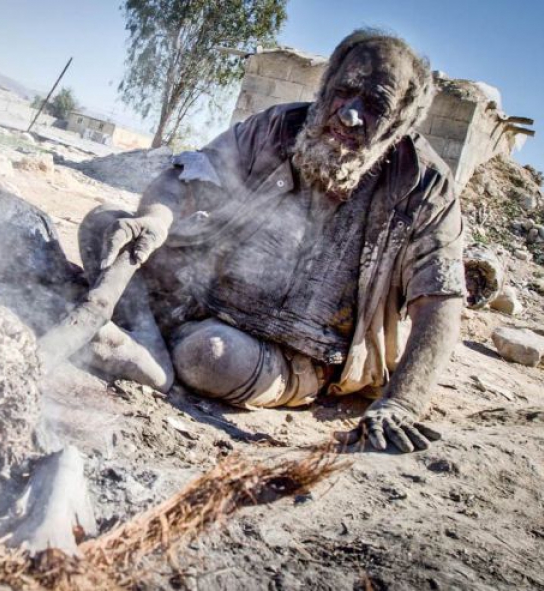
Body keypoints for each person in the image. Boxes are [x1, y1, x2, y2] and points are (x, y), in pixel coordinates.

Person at [75, 29, 465, 453]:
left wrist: (403, 403)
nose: (349, 116)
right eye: (344, 92)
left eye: (374, 106)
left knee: (207, 356)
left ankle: (149, 347)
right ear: (325, 86)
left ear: (400, 123)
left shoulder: (424, 187)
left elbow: (440, 302)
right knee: (104, 225)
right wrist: (154, 218)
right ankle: (146, 336)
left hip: (289, 356)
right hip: (197, 296)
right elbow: (186, 175)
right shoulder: (277, 126)